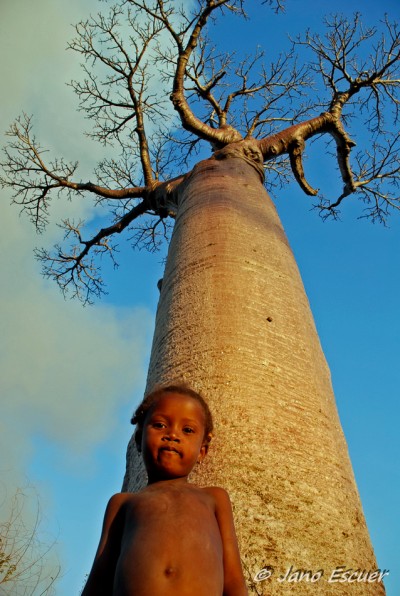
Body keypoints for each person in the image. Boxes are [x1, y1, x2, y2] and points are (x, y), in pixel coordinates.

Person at [82, 384, 248, 596]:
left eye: (187, 430)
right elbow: (99, 580)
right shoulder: (122, 503)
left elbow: (233, 579)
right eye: (160, 425)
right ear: (138, 441)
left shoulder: (214, 498)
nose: (172, 435)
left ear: (202, 451)